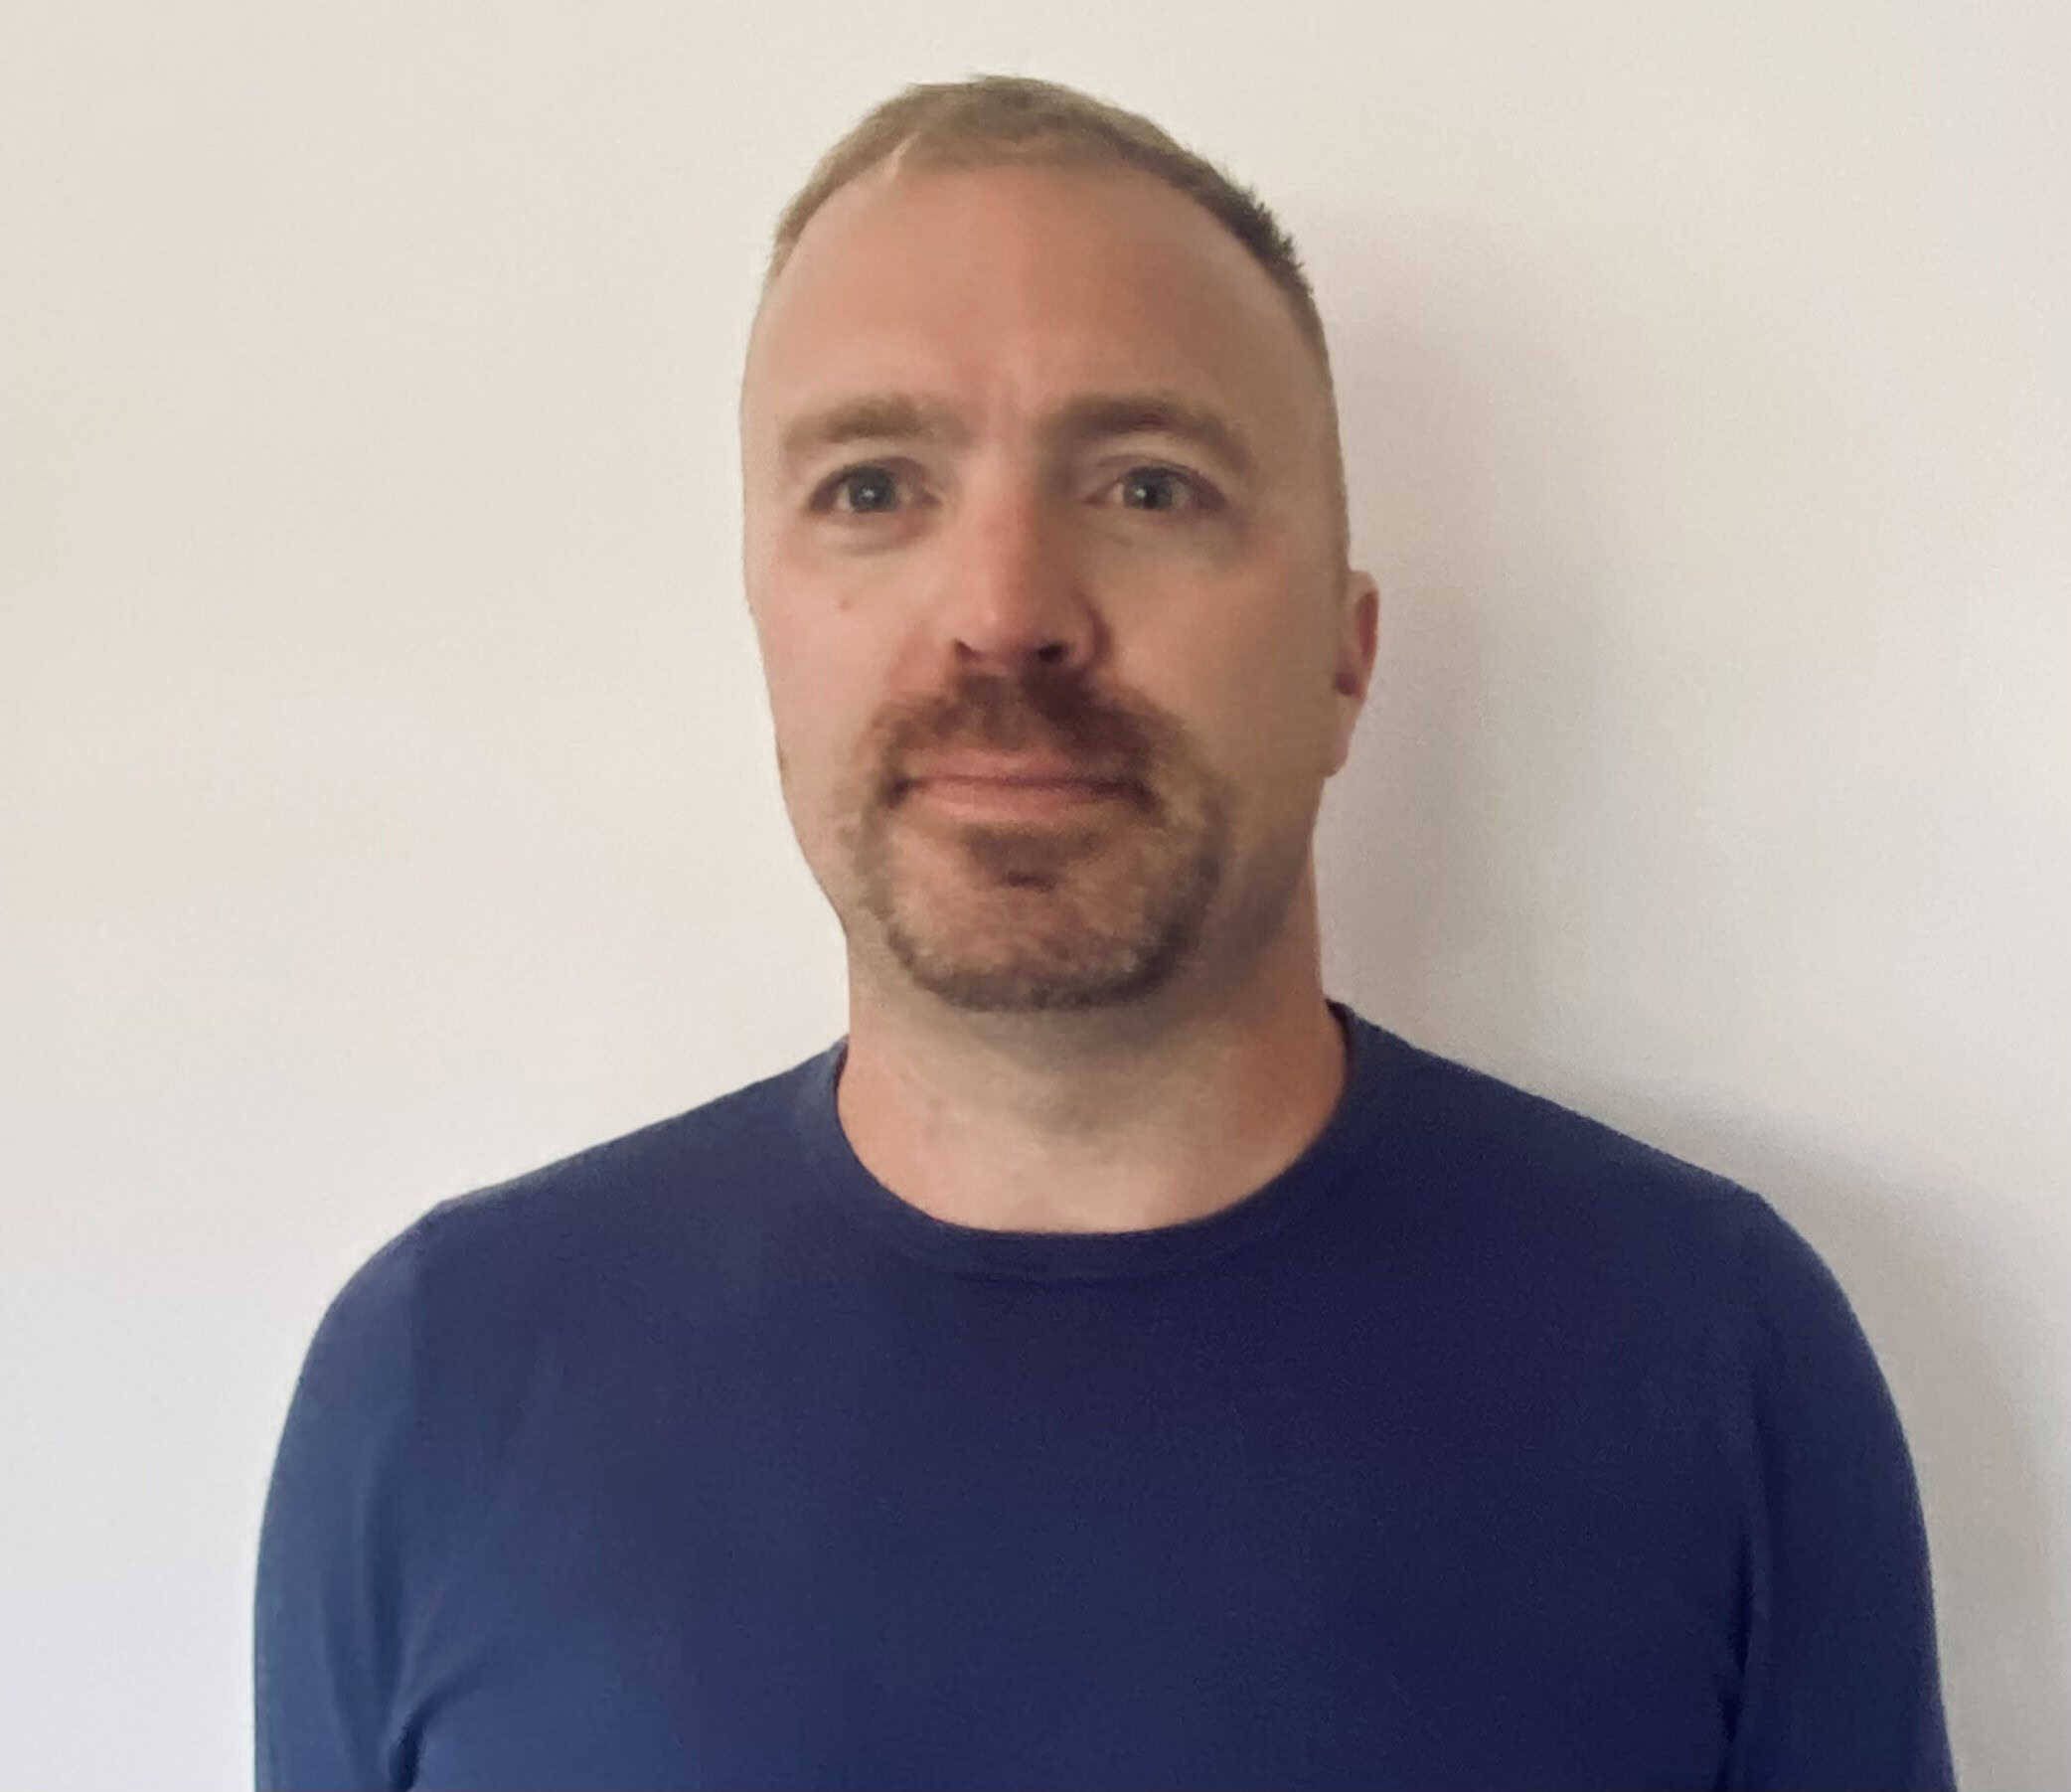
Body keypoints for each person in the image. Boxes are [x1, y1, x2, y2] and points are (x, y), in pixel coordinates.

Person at [254, 76, 1953, 1790]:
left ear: (1347, 656)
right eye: (871, 488)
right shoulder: (440, 1380)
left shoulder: (1711, 1355)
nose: (1003, 613)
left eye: (1149, 486)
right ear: (765, 618)